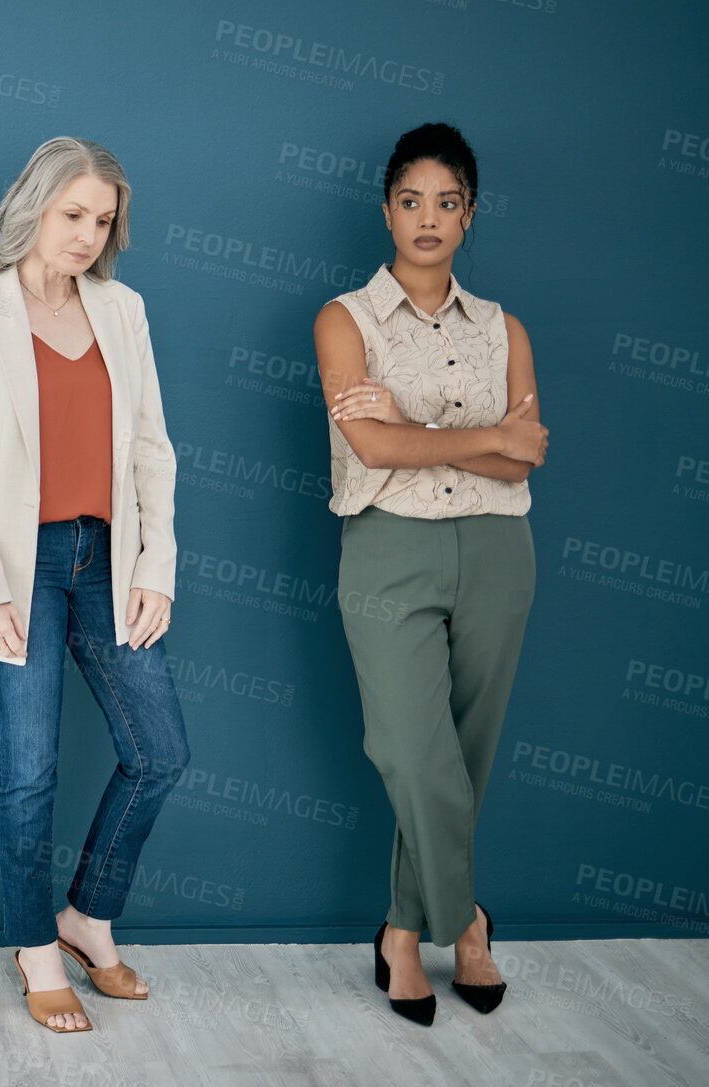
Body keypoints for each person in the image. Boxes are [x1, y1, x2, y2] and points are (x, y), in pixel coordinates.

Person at [0, 137, 188, 1034]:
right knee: (28, 774)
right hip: (13, 566)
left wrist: (156, 568)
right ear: (33, 204)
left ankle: (87, 915)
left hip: (107, 559)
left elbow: (152, 446)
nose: (86, 234)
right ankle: (37, 948)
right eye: (73, 213)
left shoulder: (124, 310)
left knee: (159, 753)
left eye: (103, 219)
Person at [314, 122, 545, 1027]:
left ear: (469, 215)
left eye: (446, 202)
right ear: (384, 210)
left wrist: (422, 426)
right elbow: (366, 443)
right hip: (387, 546)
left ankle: (405, 934)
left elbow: (522, 461)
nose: (427, 218)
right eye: (410, 200)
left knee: (467, 755)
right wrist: (482, 434)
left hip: (496, 550)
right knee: (414, 754)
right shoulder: (346, 319)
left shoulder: (502, 328)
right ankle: (469, 920)